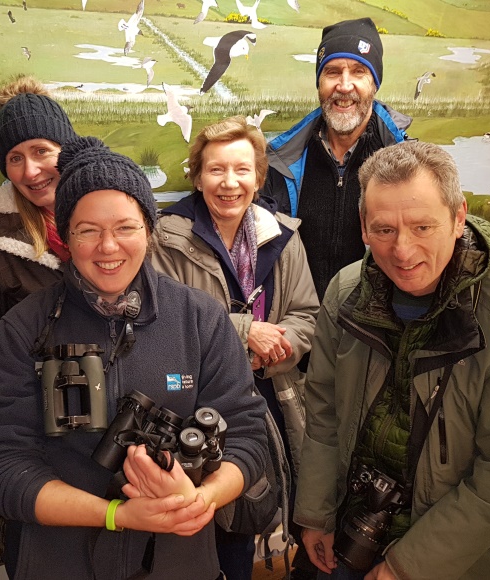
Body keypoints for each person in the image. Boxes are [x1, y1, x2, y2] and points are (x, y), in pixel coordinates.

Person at [0, 136, 269, 579]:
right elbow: (1, 463)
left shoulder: (199, 317)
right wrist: (115, 515)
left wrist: (197, 499)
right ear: (66, 237)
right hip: (56, 561)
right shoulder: (25, 328)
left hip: (180, 559)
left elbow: (246, 433)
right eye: (88, 230)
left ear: (149, 230)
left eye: (126, 228)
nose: (108, 247)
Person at [295, 141, 490, 580]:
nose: (402, 250)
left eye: (422, 227)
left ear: (459, 218)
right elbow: (323, 414)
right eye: (384, 230)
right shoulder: (345, 293)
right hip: (352, 528)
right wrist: (316, 514)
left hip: (452, 556)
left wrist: (407, 566)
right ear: (363, 227)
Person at [151, 116, 319, 578]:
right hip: (195, 404)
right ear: (197, 175)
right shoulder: (167, 238)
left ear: (259, 177)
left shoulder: (285, 237)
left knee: (246, 509)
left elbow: (308, 316)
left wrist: (277, 347)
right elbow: (164, 322)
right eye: (216, 170)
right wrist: (247, 332)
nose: (229, 183)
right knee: (195, 522)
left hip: (271, 395)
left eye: (242, 170)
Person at [263, 17, 411, 303]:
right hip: (297, 332)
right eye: (332, 72)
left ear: (375, 84)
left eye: (358, 71)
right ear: (319, 82)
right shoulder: (280, 162)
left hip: (371, 335)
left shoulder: (406, 165)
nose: (344, 86)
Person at [0, 75, 78, 312]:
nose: (30, 172)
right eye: (15, 158)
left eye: (41, 151)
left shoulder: (116, 213)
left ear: (67, 152)